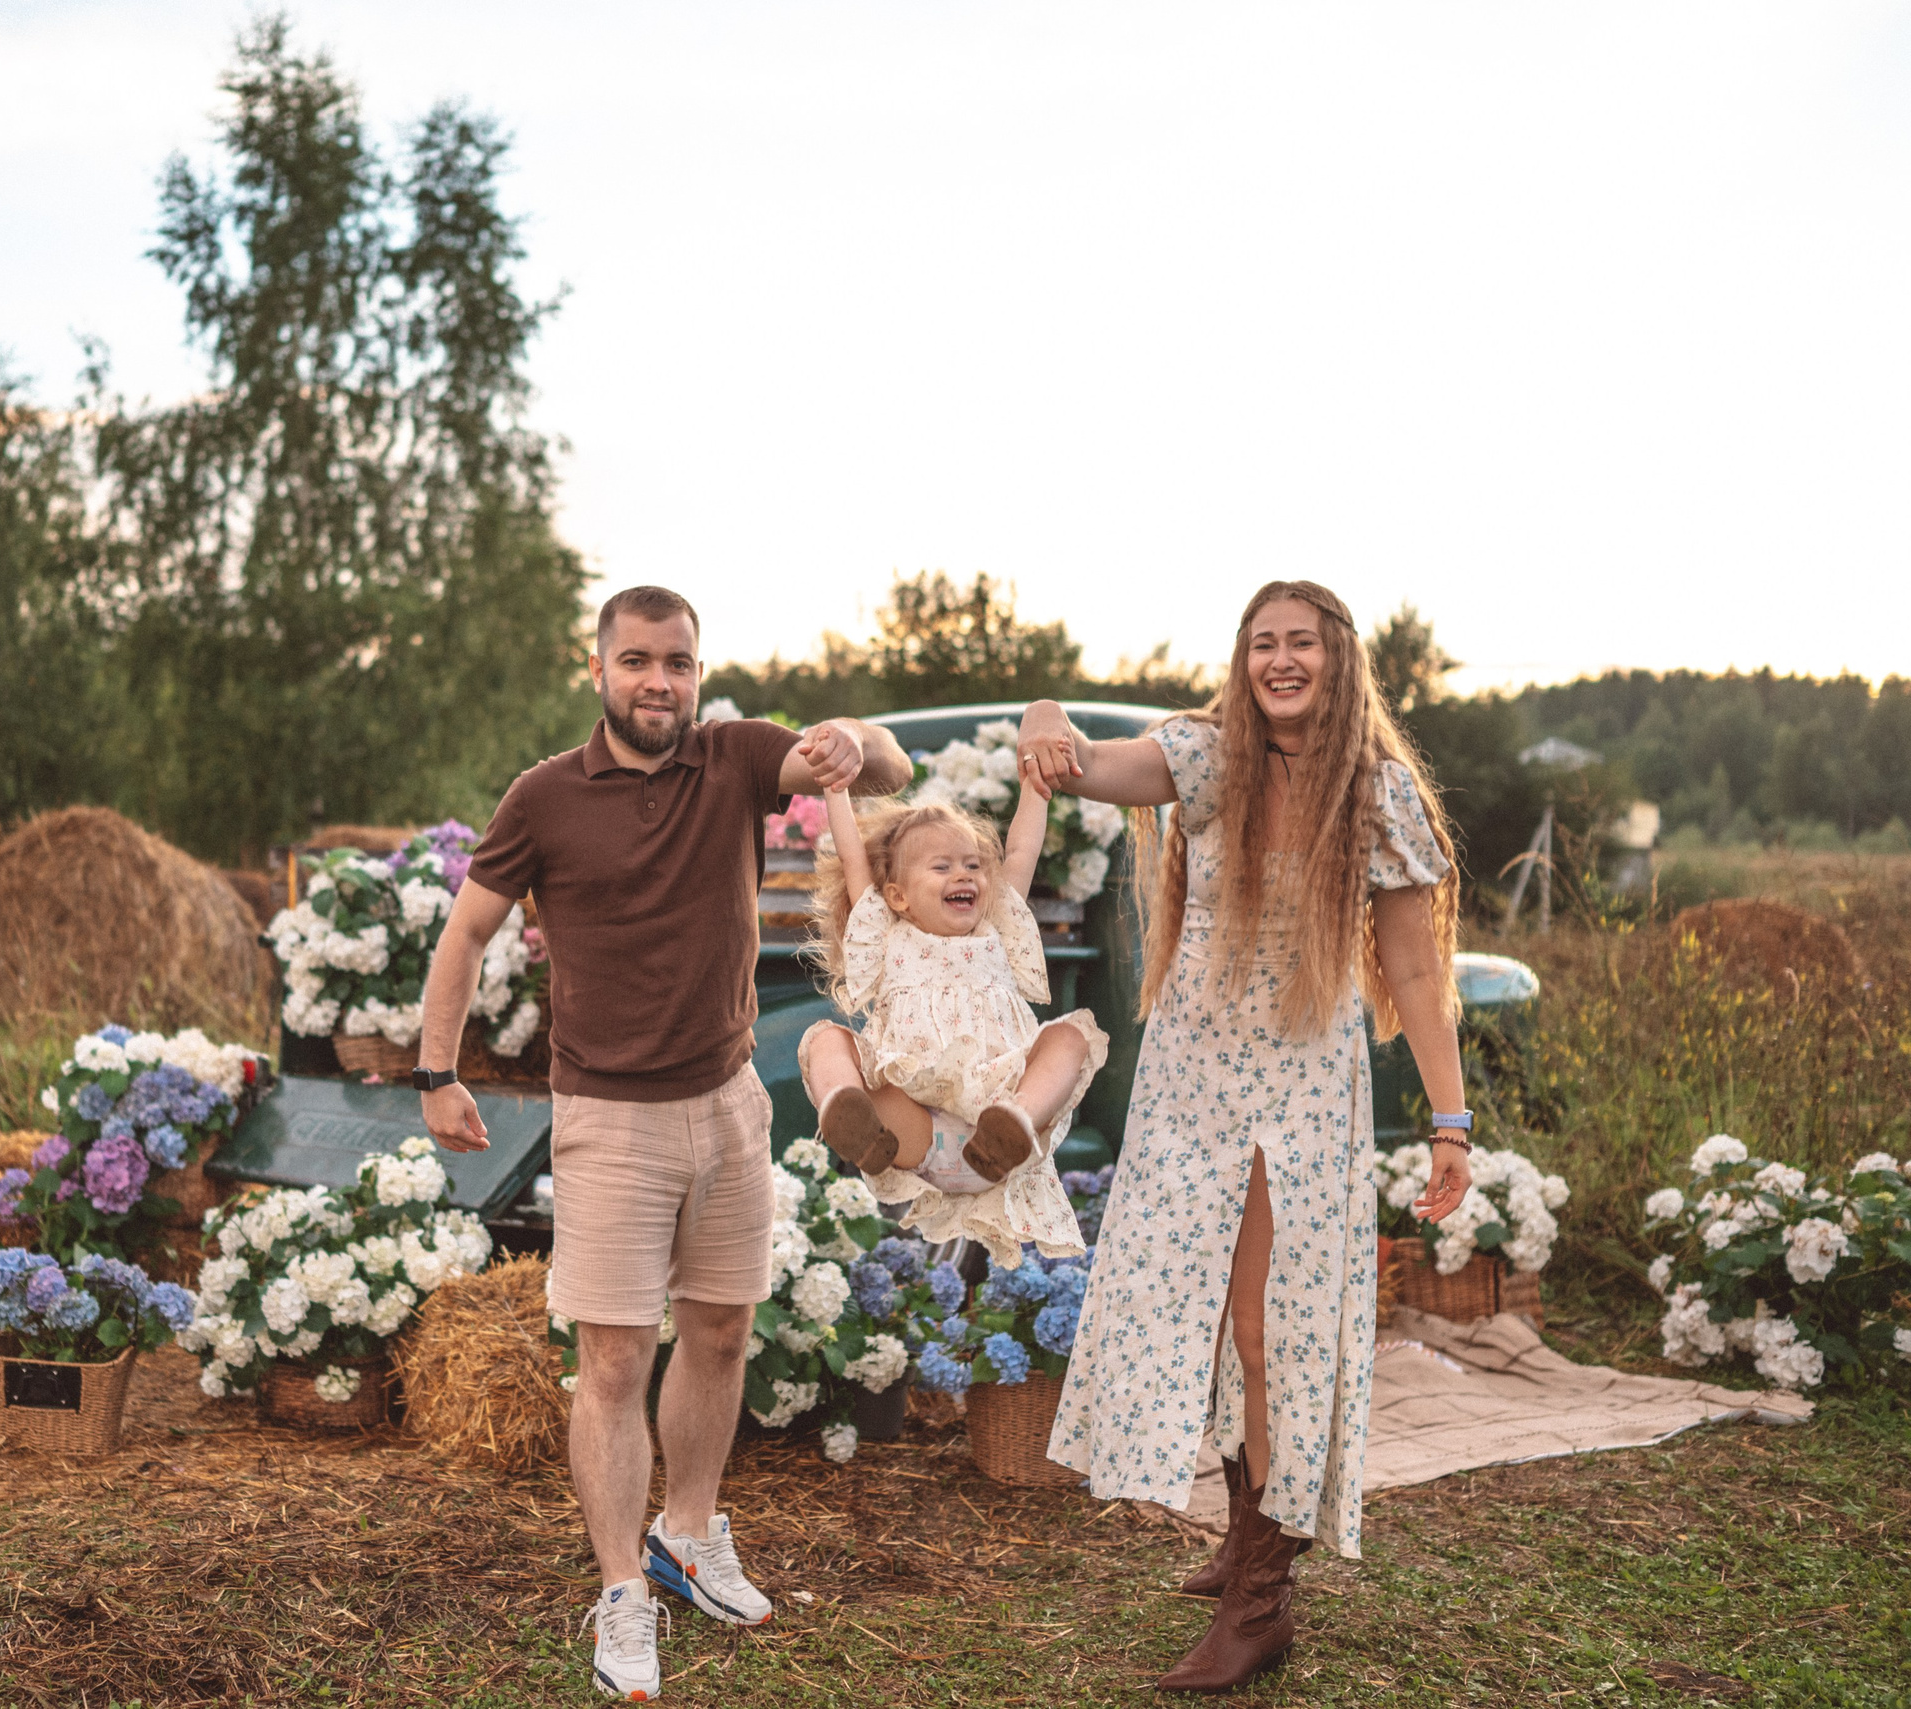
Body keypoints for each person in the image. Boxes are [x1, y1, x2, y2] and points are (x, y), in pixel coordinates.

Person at [415, 585, 910, 1703]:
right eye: (638, 660)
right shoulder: (543, 796)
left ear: (697, 673)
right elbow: (466, 931)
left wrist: (851, 739)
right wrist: (435, 1070)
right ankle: (623, 1586)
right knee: (616, 1360)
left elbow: (881, 771)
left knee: (723, 1331)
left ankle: (688, 1534)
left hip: (729, 1102)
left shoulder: (735, 757)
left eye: (678, 662)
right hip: (607, 1115)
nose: (659, 681)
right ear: (599, 669)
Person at [1031, 580, 1475, 1694]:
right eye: (1262, 642)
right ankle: (1245, 1528)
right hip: (1191, 1073)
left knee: (1269, 1317)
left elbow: (1417, 970)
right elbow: (1092, 765)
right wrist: (1045, 713)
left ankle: (1265, 1594)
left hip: (1298, 1083)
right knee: (1209, 1304)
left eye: (1302, 644)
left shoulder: (1378, 793)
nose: (1280, 659)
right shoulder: (1207, 755)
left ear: (1340, 662)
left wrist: (1451, 1121)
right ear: (1242, 658)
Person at [795, 774, 1106, 1268]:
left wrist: (1035, 789)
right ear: (897, 897)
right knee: (827, 1041)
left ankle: (1020, 1119)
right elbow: (853, 859)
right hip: (909, 1132)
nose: (964, 876)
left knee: (1071, 1036)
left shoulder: (998, 931)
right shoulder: (885, 937)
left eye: (973, 866)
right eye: (941, 867)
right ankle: (849, 1115)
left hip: (994, 1136)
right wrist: (836, 791)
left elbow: (1021, 852)